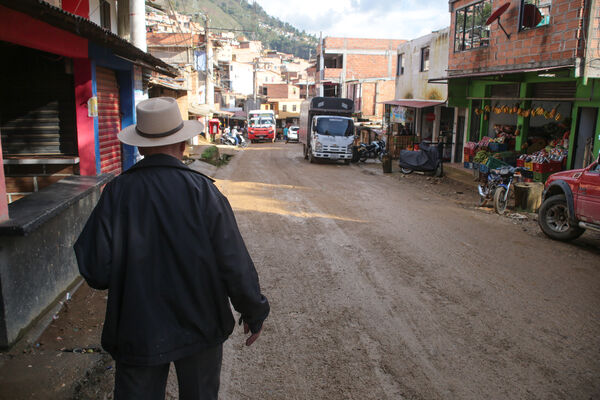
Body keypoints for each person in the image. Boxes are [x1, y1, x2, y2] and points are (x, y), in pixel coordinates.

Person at [74, 97, 270, 400]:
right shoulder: (204, 192)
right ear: (183, 145)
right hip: (201, 324)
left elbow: (96, 271)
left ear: (139, 148)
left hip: (137, 328)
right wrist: (254, 311)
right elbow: (233, 262)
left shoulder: (116, 193)